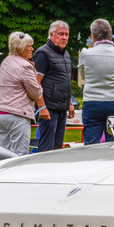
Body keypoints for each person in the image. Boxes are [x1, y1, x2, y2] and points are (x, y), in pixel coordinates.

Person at [0, 32, 44, 156]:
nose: (32, 49)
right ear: (19, 49)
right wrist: (39, 86)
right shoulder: (25, 66)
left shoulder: (6, 61)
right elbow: (35, 93)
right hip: (16, 114)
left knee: (5, 153)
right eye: (29, 46)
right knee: (20, 154)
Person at [77, 18, 114, 144]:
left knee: (91, 143)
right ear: (110, 35)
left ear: (92, 37)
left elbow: (83, 76)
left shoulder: (85, 53)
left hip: (92, 102)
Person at [32, 20, 75, 152]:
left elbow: (65, 82)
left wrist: (69, 103)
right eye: (61, 34)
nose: (64, 37)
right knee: (46, 148)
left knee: (57, 148)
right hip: (48, 109)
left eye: (67, 34)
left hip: (61, 108)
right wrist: (42, 107)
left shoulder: (66, 54)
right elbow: (36, 83)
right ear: (51, 34)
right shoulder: (42, 54)